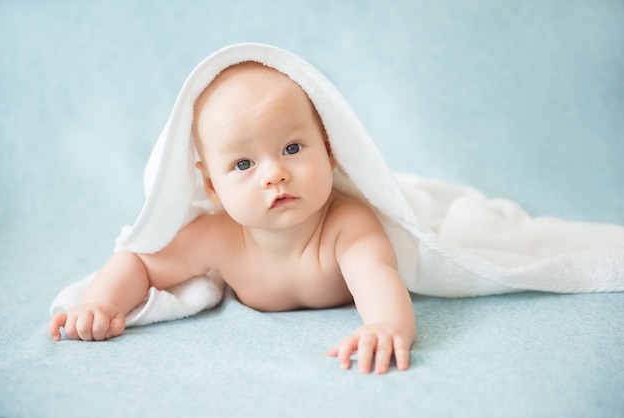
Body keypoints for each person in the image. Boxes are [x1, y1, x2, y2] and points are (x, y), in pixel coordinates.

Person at [48, 61, 416, 375]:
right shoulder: (219, 237)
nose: (274, 174)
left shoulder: (346, 223)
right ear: (211, 186)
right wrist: (102, 303)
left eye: (292, 148)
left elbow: (376, 273)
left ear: (329, 151)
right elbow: (140, 262)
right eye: (243, 164)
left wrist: (385, 325)